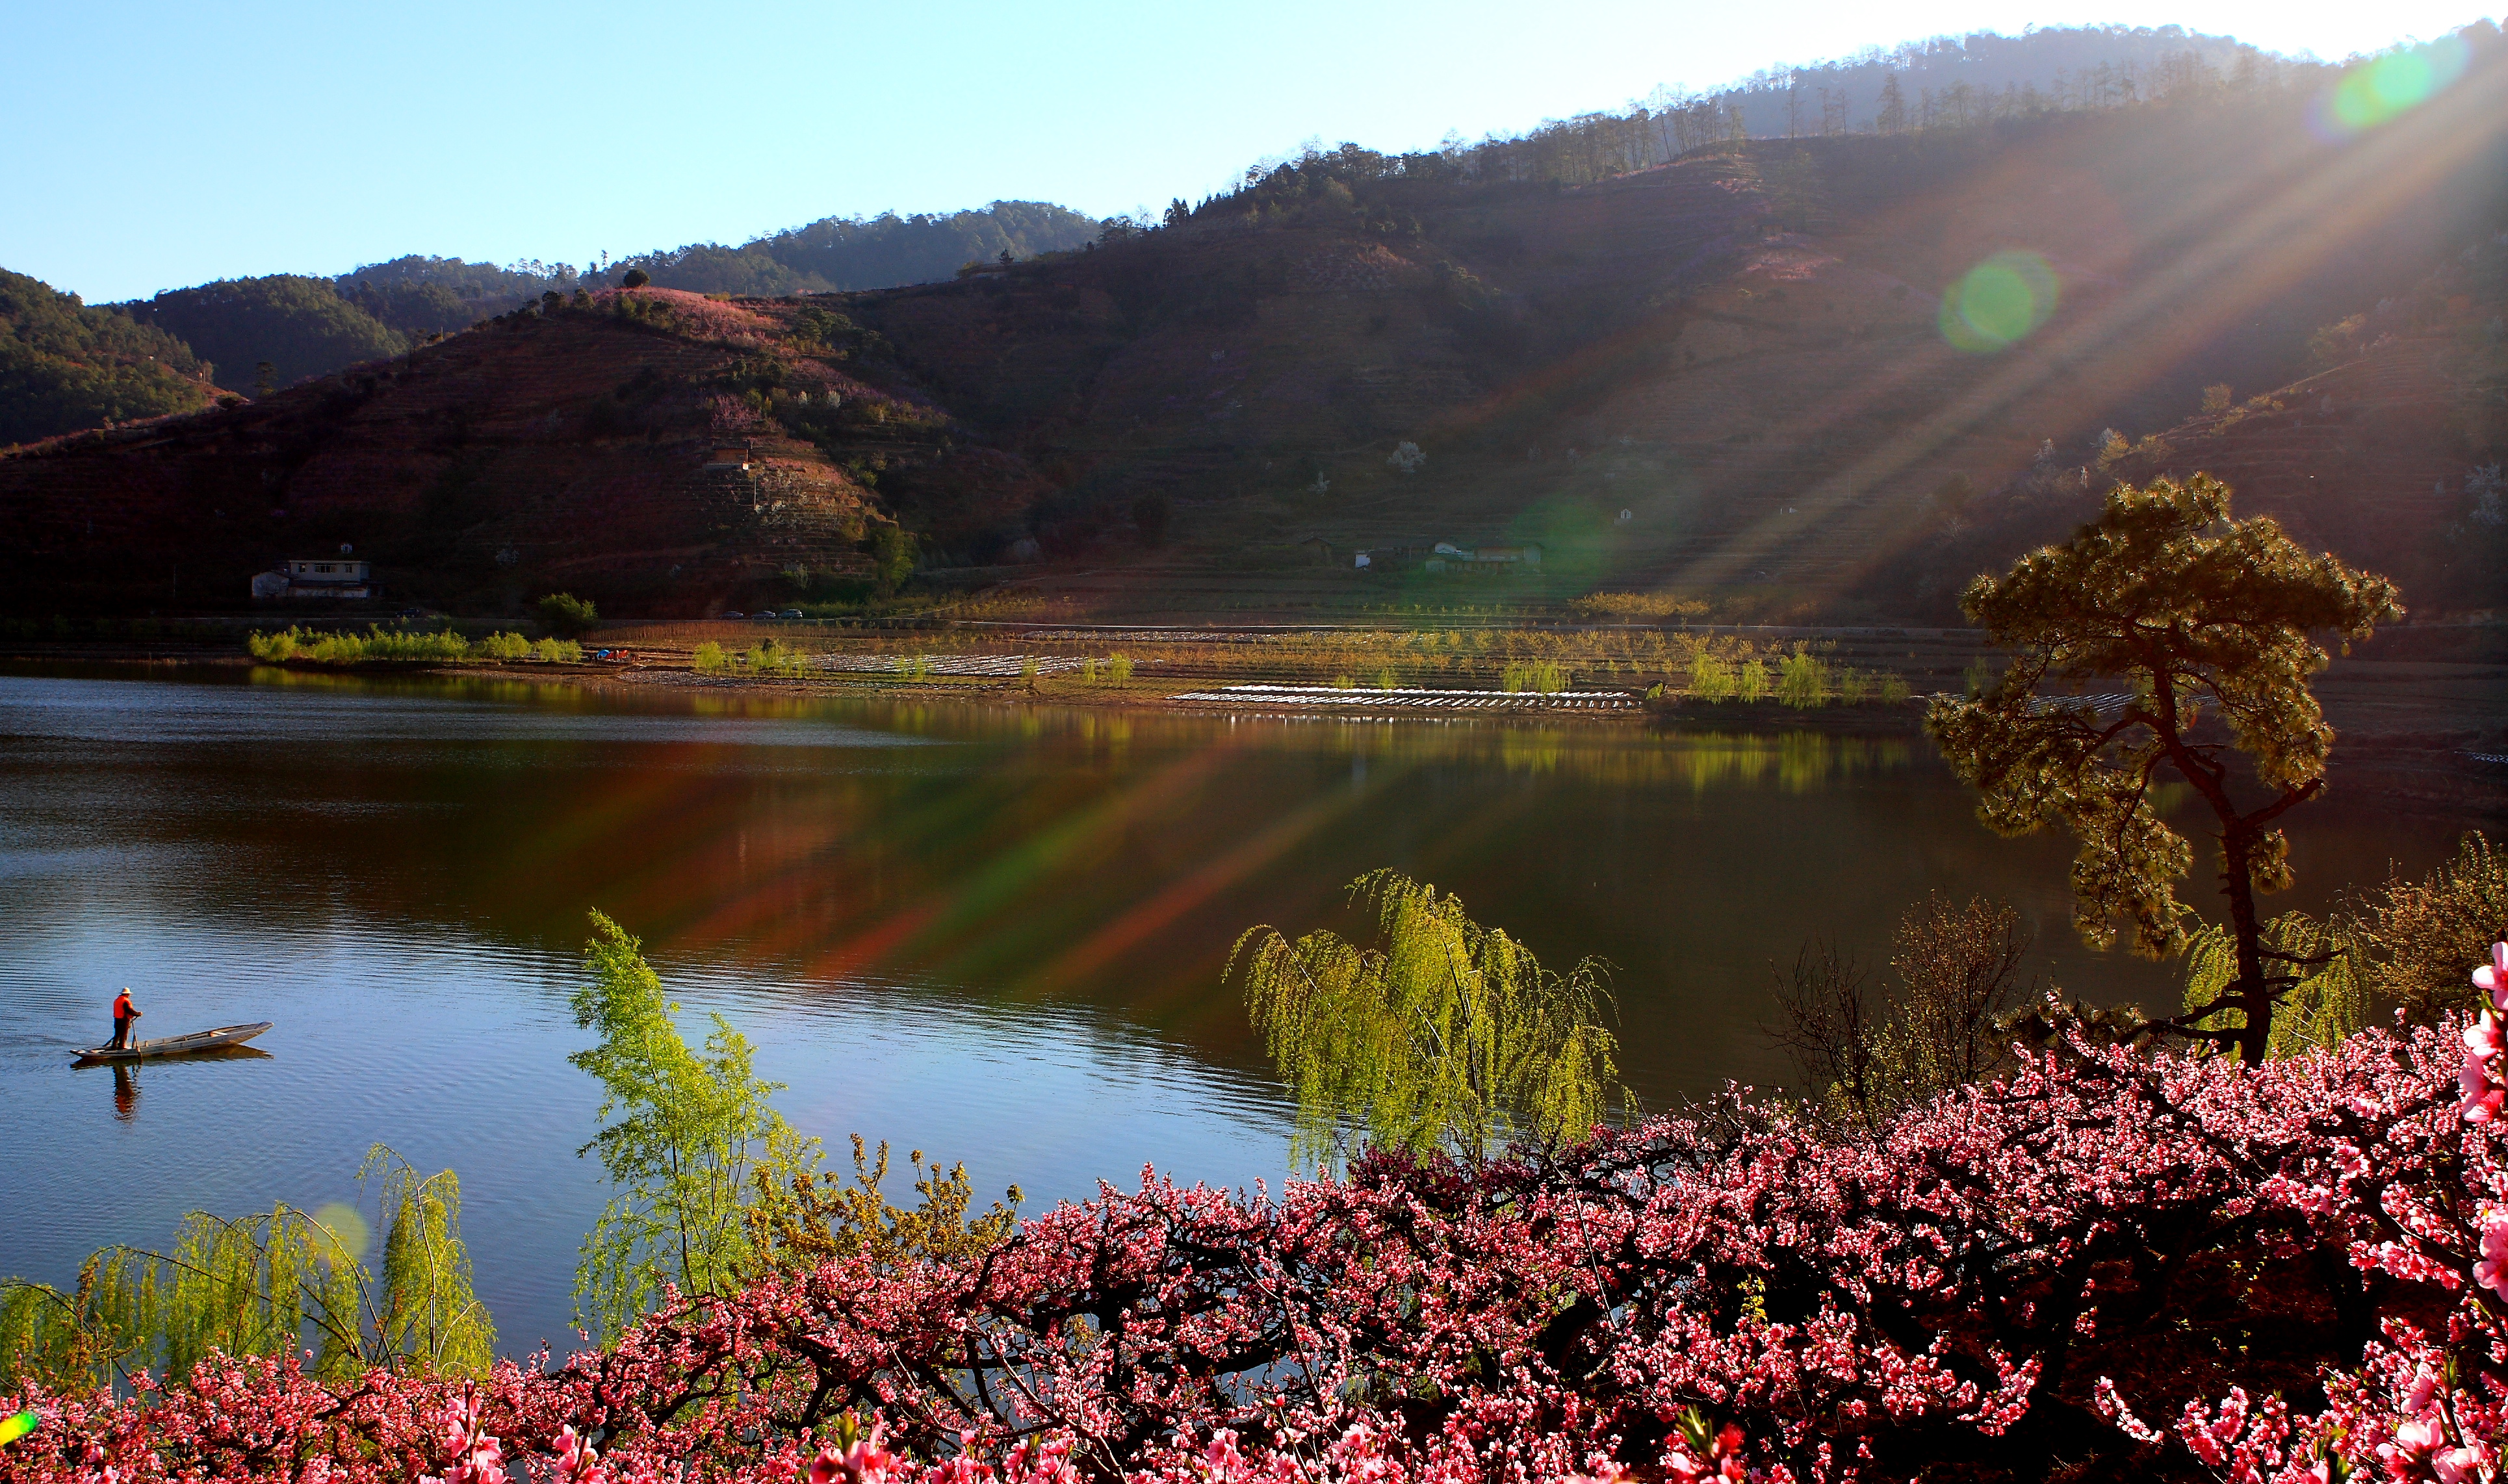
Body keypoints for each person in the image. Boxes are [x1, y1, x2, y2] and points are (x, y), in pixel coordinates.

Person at [109, 987, 140, 1051]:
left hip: (117, 1019)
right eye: (129, 994)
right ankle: (121, 1047)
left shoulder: (117, 1000)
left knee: (117, 1034)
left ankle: (114, 1047)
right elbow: (129, 1010)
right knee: (123, 1034)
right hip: (124, 1020)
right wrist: (138, 1014)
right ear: (127, 994)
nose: (129, 995)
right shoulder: (125, 1001)